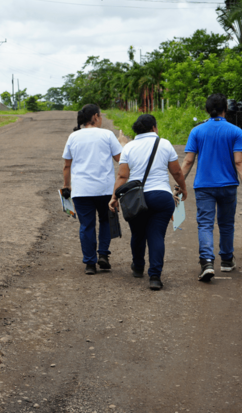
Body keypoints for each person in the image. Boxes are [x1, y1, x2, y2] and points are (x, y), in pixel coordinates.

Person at [177, 93, 242, 282]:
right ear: (225, 110)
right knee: (226, 224)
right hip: (228, 186)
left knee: (205, 224)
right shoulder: (236, 132)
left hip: (204, 186)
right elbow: (239, 162)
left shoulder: (197, 131)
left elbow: (187, 161)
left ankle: (207, 263)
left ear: (207, 110)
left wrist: (179, 184)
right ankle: (227, 261)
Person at [110, 114, 187, 290]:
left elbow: (122, 176)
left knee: (138, 233)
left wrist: (114, 198)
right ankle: (155, 277)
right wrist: (183, 189)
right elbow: (177, 173)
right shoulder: (165, 144)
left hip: (135, 198)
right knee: (156, 235)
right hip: (161, 196)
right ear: (154, 127)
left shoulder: (129, 147)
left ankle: (138, 267)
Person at [62, 104, 124, 275]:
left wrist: (67, 186)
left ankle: (90, 263)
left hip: (81, 190)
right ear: (96, 117)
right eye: (101, 116)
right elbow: (121, 160)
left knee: (86, 226)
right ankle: (103, 254)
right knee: (105, 221)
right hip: (105, 189)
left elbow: (67, 166)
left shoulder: (73, 137)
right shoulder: (107, 135)